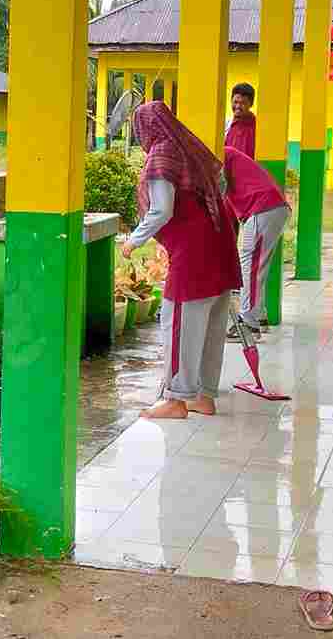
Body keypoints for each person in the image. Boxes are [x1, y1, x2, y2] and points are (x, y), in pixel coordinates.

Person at [120, 102, 241, 419]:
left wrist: (133, 241)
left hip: (195, 249)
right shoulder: (186, 150)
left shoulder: (162, 153)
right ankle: (203, 396)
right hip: (218, 242)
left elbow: (162, 209)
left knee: (178, 321)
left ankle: (176, 399)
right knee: (211, 322)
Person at [224, 146, 291, 334]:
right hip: (271, 209)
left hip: (262, 209)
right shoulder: (226, 154)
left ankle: (248, 323)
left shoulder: (218, 155)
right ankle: (258, 315)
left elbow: (216, 194)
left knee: (251, 267)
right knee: (256, 267)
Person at [224, 82, 257, 159]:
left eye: (243, 103)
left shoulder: (257, 127)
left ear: (251, 104)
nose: (238, 106)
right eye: (235, 102)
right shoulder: (227, 125)